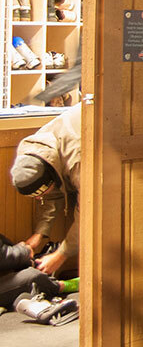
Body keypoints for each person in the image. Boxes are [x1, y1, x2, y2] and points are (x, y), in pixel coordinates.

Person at [9, 103, 81, 276]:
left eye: (41, 192)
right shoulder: (34, 152)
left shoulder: (77, 160)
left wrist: (61, 254)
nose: (38, 198)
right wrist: (40, 234)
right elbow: (51, 192)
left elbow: (90, 212)